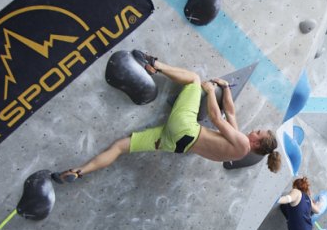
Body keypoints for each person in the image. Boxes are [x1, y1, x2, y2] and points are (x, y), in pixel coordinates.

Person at [52, 60, 280, 182]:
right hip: (175, 144)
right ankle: (80, 171)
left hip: (186, 128)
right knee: (121, 146)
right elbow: (230, 113)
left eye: (258, 133)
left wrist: (210, 91)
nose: (255, 131)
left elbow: (216, 118)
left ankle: (154, 64)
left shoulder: (242, 143)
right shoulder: (239, 149)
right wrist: (225, 88)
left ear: (258, 144)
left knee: (194, 80)